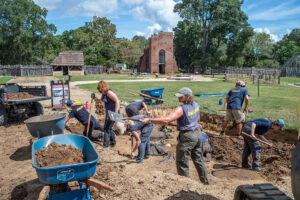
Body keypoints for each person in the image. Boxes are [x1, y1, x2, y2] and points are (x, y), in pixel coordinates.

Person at [140, 87, 209, 184]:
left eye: (181, 97)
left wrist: (149, 120)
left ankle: (185, 185)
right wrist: (185, 123)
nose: (178, 98)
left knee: (182, 162)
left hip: (187, 137)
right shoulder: (196, 105)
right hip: (198, 134)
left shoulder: (181, 108)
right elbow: (197, 120)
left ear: (187, 96)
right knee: (199, 160)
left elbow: (167, 120)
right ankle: (206, 182)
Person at [97, 81, 120, 148]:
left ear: (102, 87)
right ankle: (113, 142)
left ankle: (106, 145)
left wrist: (115, 113)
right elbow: (103, 101)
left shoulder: (109, 93)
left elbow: (117, 101)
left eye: (99, 88)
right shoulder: (104, 93)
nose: (98, 89)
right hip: (109, 112)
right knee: (109, 128)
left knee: (106, 128)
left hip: (113, 112)